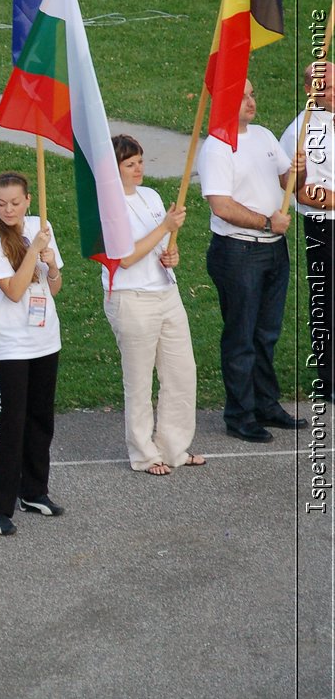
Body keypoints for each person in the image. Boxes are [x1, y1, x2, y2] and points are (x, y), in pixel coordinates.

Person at [197, 78, 307, 442]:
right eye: (241, 96)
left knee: (266, 333)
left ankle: (266, 404)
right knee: (241, 336)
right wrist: (266, 221)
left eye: (252, 94)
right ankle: (240, 415)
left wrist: (300, 169)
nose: (250, 101)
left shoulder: (262, 136)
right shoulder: (216, 147)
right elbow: (221, 204)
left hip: (273, 249)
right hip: (239, 251)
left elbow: (287, 180)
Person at [103, 136, 205, 475]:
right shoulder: (107, 205)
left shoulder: (151, 196)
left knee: (181, 372)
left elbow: (158, 248)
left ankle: (174, 449)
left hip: (165, 292)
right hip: (131, 298)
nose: (138, 169)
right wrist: (165, 226)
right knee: (140, 381)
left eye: (140, 162)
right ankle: (144, 454)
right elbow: (125, 258)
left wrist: (170, 254)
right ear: (113, 169)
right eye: (130, 164)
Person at [0, 171, 64, 535]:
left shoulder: (41, 225)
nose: (8, 209)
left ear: (28, 199)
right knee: (11, 423)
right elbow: (13, 290)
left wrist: (51, 261)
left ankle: (34, 490)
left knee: (40, 418)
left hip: (45, 338)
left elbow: (54, 286)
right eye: (1, 203)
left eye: (15, 202)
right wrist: (32, 251)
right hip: (11, 342)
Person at [279, 60, 335, 403]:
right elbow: (302, 192)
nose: (333, 92)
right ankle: (330, 379)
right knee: (328, 301)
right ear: (309, 91)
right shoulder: (301, 132)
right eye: (326, 87)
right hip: (325, 228)